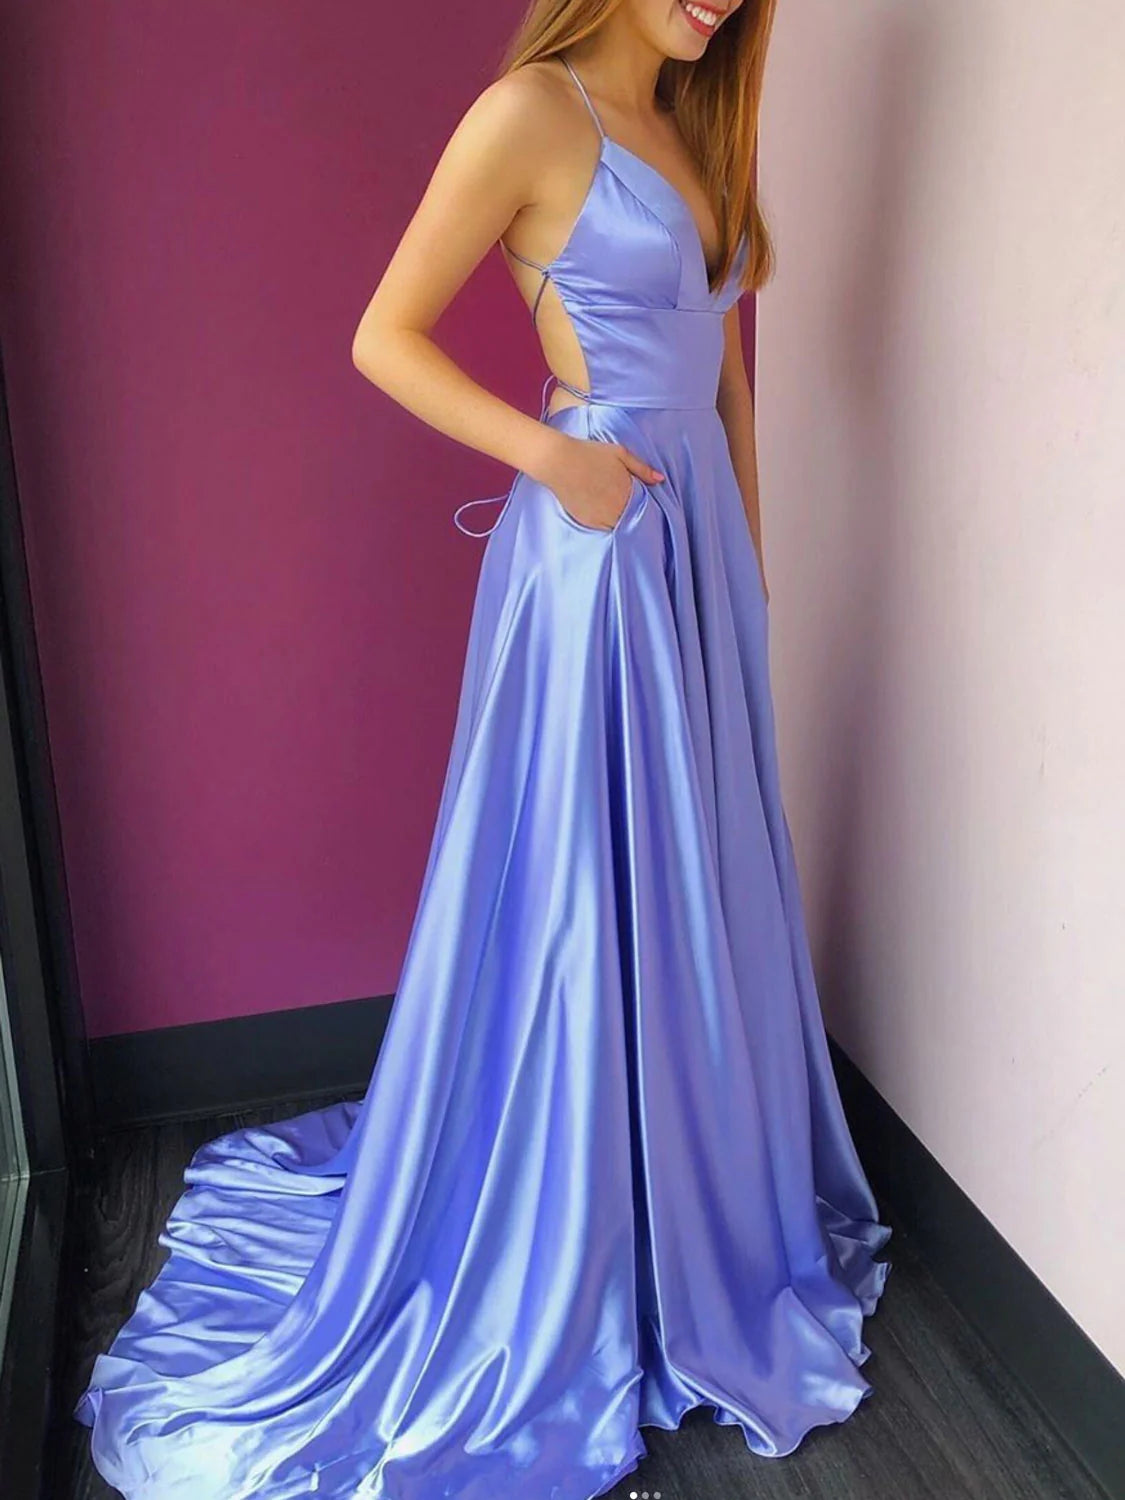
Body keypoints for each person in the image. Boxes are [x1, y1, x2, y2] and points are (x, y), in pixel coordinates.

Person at [75, 3, 892, 1496]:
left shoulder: (700, 122)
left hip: (695, 558)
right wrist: (554, 456)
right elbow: (382, 335)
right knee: (587, 894)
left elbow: (724, 367)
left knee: (692, 886)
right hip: (598, 561)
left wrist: (751, 569)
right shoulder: (532, 113)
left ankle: (683, 1215)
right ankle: (572, 1243)